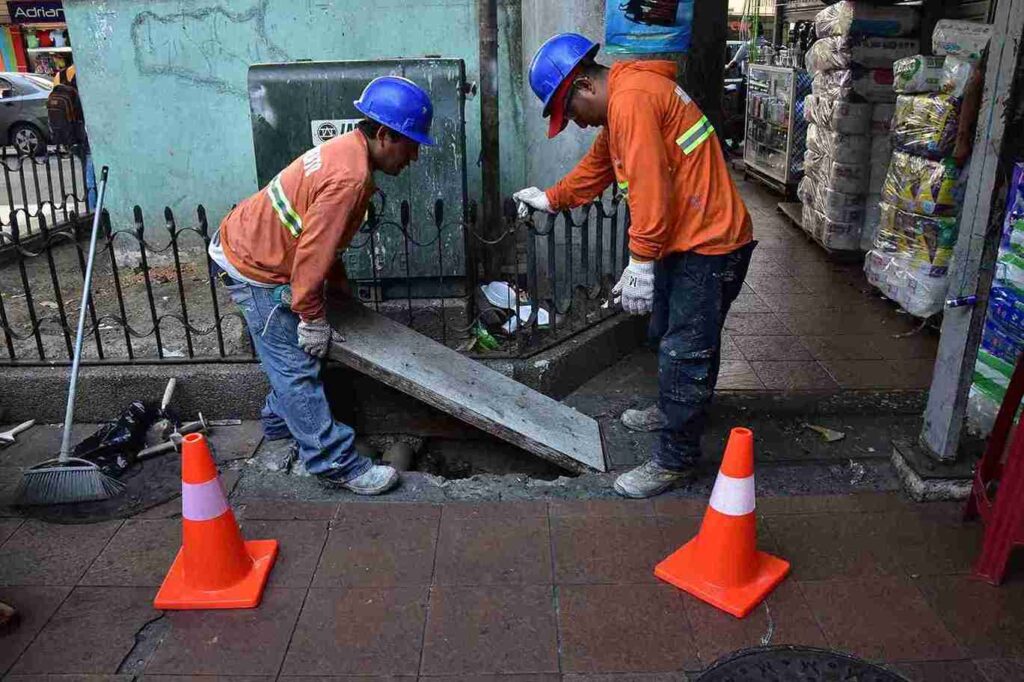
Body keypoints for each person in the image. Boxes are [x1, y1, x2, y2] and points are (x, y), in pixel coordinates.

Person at [513, 33, 755, 499]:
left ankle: (675, 459)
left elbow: (649, 189)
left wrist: (641, 261)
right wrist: (552, 198)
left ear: (583, 86)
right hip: (692, 241)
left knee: (686, 350)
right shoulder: (627, 98)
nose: (578, 125)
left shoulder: (633, 101)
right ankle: (673, 409)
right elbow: (600, 166)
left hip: (709, 245)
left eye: (572, 113)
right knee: (669, 335)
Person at [208, 76, 435, 495]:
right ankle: (335, 464)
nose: (416, 156)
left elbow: (322, 239)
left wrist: (340, 289)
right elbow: (311, 255)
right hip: (256, 267)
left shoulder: (347, 152)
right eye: (412, 143)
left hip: (253, 248)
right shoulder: (350, 178)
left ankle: (279, 425)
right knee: (297, 371)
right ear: (385, 135)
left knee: (293, 361)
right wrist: (311, 317)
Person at [49, 64, 96, 209]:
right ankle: (95, 211)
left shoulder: (59, 76)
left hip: (69, 135)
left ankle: (92, 206)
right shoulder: (87, 72)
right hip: (86, 132)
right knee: (92, 174)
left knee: (88, 171)